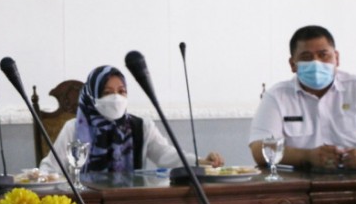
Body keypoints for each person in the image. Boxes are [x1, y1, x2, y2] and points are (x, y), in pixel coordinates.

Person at [249, 25, 356, 170]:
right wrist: (306, 156)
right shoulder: (276, 96)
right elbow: (259, 149)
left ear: (336, 58)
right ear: (292, 64)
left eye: (323, 55)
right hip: (299, 181)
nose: (316, 62)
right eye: (306, 57)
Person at [40, 65, 224, 173]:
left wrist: (201, 162)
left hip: (130, 203)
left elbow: (166, 155)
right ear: (93, 96)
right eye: (107, 92)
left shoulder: (141, 126)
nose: (116, 98)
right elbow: (50, 168)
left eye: (121, 91)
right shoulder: (74, 128)